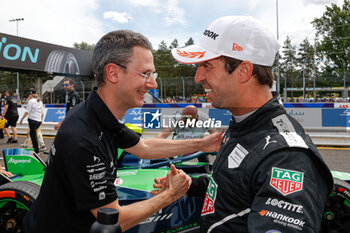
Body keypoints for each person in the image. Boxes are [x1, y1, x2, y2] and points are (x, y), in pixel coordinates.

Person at [23, 30, 223, 233]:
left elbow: (144, 147)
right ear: (113, 73)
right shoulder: (82, 137)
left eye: (153, 75)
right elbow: (113, 220)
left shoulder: (100, 115)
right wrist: (171, 194)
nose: (153, 83)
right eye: (145, 74)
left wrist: (203, 144)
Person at [154, 16, 333, 232]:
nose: (197, 77)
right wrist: (191, 185)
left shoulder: (287, 157)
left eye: (206, 66)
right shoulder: (245, 124)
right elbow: (236, 187)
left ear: (244, 71)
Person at [19, 89, 44, 154]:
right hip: (38, 120)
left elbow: (27, 111)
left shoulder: (31, 101)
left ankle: (36, 150)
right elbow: (42, 112)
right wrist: (41, 120)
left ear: (31, 95)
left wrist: (21, 119)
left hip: (32, 120)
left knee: (33, 136)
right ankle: (37, 146)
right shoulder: (40, 101)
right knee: (33, 134)